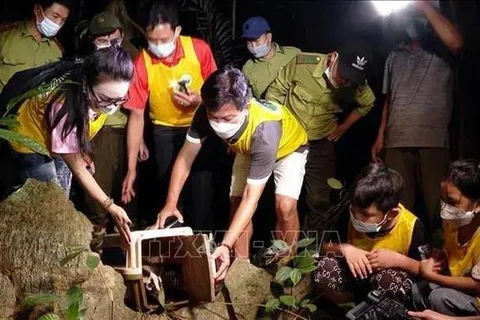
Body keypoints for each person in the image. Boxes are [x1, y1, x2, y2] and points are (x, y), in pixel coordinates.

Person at [154, 66, 308, 280]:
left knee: (284, 206)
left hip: (289, 149)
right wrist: (170, 204)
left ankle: (288, 266)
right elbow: (185, 158)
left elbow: (251, 199)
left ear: (246, 105)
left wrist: (224, 243)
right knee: (235, 206)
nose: (219, 125)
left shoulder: (265, 130)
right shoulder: (205, 112)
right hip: (246, 148)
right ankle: (241, 267)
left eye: (227, 119)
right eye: (214, 117)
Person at [7, 47, 134, 243]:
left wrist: (82, 152)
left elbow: (81, 131)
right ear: (85, 85)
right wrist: (110, 206)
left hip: (57, 136)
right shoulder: (63, 105)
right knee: (52, 204)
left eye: (119, 100)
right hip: (31, 140)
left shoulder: (100, 98)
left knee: (62, 199)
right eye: (105, 99)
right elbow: (79, 170)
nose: (111, 107)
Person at [121, 0, 218, 231]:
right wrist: (131, 168)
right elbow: (136, 116)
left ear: (177, 32)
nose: (157, 46)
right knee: (170, 192)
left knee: (201, 190)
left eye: (163, 40)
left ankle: (203, 244)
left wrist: (199, 101)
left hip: (200, 127)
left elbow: (219, 94)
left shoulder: (199, 49)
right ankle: (174, 248)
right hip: (163, 132)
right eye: (152, 40)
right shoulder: (142, 62)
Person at [371, 1, 463, 227]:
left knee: (439, 207)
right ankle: (402, 260)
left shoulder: (442, 50)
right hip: (396, 139)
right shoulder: (394, 54)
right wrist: (381, 135)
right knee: (397, 208)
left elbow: (457, 42)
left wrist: (423, 5)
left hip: (432, 140)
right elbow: (389, 98)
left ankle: (439, 258)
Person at [266, 42, 375, 233]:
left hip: (320, 142)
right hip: (289, 139)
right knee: (282, 199)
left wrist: (343, 127)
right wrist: (274, 126)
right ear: (333, 57)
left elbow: (367, 103)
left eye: (352, 78)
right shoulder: (302, 64)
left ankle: (311, 250)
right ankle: (278, 248)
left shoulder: (356, 84)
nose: (346, 82)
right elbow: (276, 91)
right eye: (343, 74)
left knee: (320, 200)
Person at [313, 163, 427, 304]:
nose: (357, 217)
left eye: (366, 215)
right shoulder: (348, 213)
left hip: (386, 290)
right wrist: (345, 249)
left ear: (391, 214)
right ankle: (343, 312)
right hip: (353, 282)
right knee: (326, 266)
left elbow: (425, 272)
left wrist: (398, 260)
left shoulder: (412, 227)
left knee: (390, 280)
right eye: (354, 210)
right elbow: (322, 247)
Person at [82, 11, 142, 244]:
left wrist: (140, 143)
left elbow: (137, 107)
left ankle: (127, 255)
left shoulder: (131, 58)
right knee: (96, 200)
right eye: (102, 41)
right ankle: (96, 255)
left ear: (123, 35)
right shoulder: (87, 64)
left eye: (114, 40)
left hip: (124, 132)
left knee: (127, 196)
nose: (109, 46)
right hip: (97, 134)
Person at [412, 160, 480, 317]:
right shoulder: (452, 223)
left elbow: (477, 286)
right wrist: (440, 257)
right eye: (442, 200)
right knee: (419, 290)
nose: (445, 208)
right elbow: (448, 249)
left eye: (452, 202)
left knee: (439, 297)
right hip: (460, 289)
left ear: (477, 203)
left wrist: (432, 275)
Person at [0, 0, 70, 91]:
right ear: (37, 10)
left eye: (63, 20)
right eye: (55, 16)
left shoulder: (57, 50)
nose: (58, 24)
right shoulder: (5, 36)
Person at [241, 16, 300, 99]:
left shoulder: (294, 54)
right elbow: (249, 100)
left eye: (257, 41)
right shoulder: (247, 69)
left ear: (269, 37)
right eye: (249, 43)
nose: (253, 46)